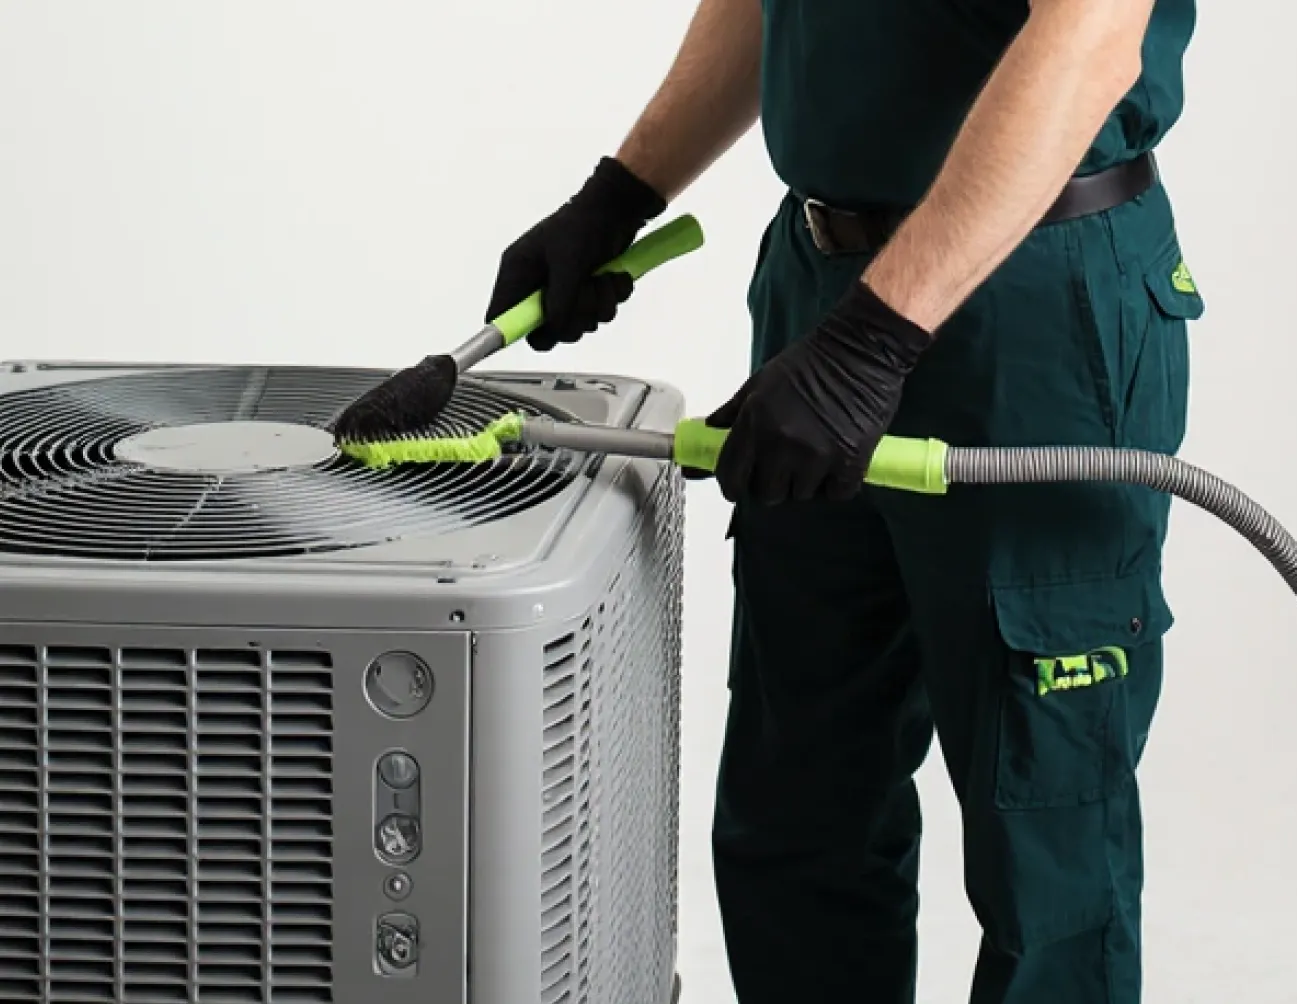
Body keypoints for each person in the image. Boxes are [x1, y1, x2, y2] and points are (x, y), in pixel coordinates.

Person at [483, 0, 1203, 1000]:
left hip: (1033, 304)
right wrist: (620, 194)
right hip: (819, 285)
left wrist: (877, 340)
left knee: (1045, 831)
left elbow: (1089, 38)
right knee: (798, 800)